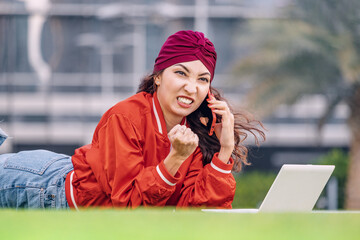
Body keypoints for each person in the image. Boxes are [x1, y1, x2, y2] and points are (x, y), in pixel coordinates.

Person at [0, 30, 265, 209]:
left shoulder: (198, 129)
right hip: (44, 185)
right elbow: (128, 205)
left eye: (202, 79)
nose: (191, 87)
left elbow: (197, 212)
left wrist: (224, 151)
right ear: (158, 76)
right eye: (181, 73)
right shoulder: (126, 116)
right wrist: (175, 158)